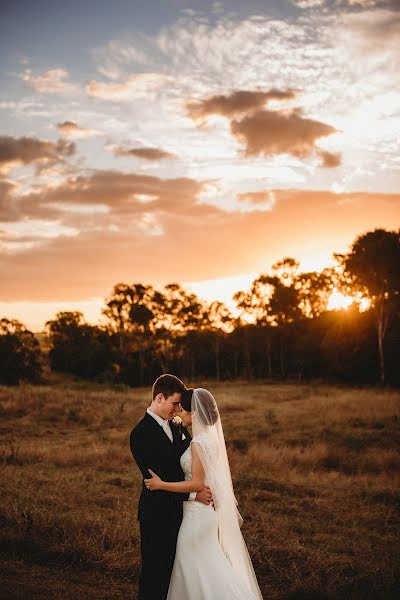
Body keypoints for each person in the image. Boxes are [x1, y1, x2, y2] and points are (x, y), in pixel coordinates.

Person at [144, 387, 264, 600]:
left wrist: (161, 484)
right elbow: (212, 479)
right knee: (207, 567)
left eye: (183, 410)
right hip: (206, 514)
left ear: (195, 413)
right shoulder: (211, 438)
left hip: (197, 516)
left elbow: (198, 484)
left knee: (192, 567)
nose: (179, 413)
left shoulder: (199, 442)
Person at [129, 374, 213, 600]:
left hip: (183, 516)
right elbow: (157, 480)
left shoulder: (177, 426)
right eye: (175, 403)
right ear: (159, 398)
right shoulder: (140, 434)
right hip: (157, 513)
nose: (178, 409)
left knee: (178, 574)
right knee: (154, 573)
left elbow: (190, 461)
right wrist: (194, 494)